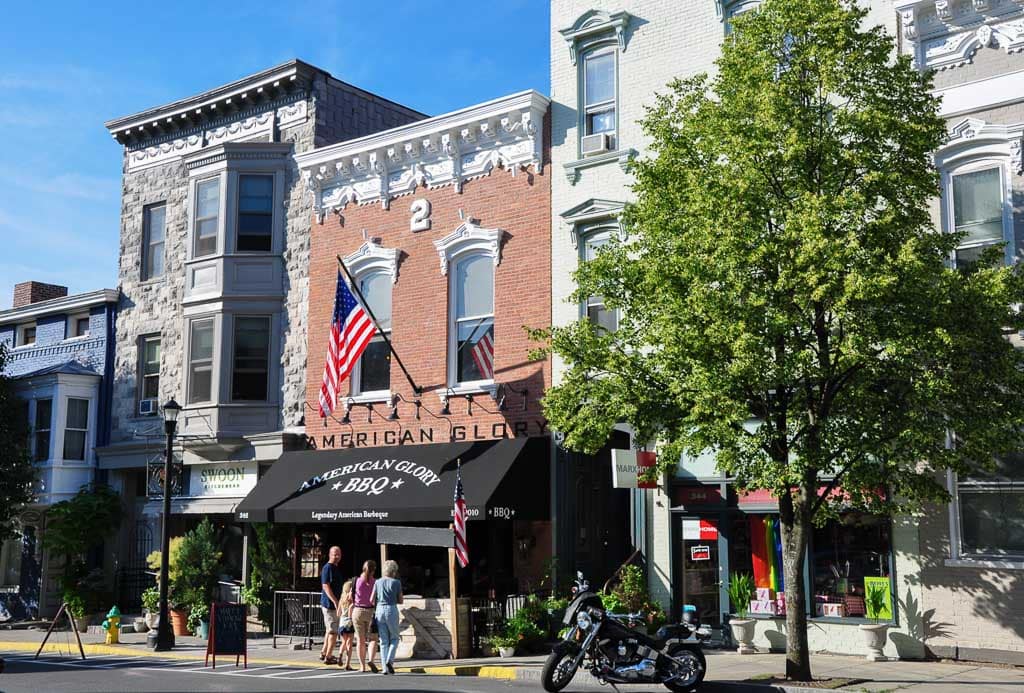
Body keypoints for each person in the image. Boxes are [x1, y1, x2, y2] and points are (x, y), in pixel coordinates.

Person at [372, 559, 404, 675]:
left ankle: (384, 669)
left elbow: (372, 599)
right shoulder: (396, 583)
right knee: (395, 638)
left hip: (379, 609)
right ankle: (389, 661)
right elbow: (401, 600)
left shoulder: (377, 582)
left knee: (383, 640)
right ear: (394, 571)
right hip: (391, 609)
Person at [352, 559, 379, 673]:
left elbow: (350, 596)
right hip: (370, 611)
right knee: (373, 638)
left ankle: (362, 666)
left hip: (357, 611)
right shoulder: (375, 582)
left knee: (360, 640)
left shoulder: (356, 581)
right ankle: (371, 660)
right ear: (373, 571)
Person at [319, 546, 343, 665]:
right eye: (334, 554)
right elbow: (325, 586)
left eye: (338, 554)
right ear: (330, 554)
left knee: (329, 630)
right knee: (333, 631)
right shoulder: (327, 568)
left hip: (334, 604)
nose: (337, 556)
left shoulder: (335, 567)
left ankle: (324, 652)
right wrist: (335, 600)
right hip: (329, 605)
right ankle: (328, 657)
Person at [337, 579, 355, 670]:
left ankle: (340, 654)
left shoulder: (341, 599)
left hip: (342, 622)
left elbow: (338, 613)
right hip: (350, 622)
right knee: (349, 644)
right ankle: (347, 664)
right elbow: (351, 613)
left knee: (343, 642)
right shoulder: (351, 600)